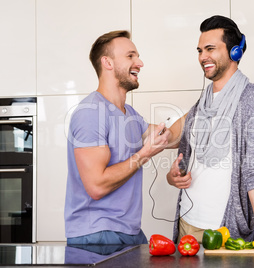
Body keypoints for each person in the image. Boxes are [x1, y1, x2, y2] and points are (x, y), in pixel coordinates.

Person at [167, 15, 254, 243]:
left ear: (234, 52)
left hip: (224, 229)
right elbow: (177, 147)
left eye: (210, 49)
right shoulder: (201, 105)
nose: (202, 57)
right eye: (199, 50)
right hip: (187, 223)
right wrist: (173, 177)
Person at [65, 30, 180, 245]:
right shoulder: (91, 112)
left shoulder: (130, 115)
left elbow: (170, 137)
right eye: (130, 56)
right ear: (107, 62)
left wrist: (208, 100)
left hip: (128, 232)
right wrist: (145, 153)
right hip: (97, 235)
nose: (140, 62)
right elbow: (96, 186)